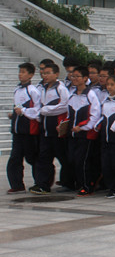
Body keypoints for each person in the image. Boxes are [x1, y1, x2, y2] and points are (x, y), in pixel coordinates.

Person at [30, 63, 69, 195]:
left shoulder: (61, 88)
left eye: (48, 73)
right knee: (44, 157)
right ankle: (43, 185)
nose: (45, 75)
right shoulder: (42, 88)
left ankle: (68, 182)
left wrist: (46, 110)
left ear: (56, 74)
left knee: (63, 157)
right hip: (44, 129)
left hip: (56, 129)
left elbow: (64, 106)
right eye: (43, 73)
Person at [67, 66, 102, 196]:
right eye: (73, 76)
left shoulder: (90, 95)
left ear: (85, 78)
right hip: (72, 134)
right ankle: (80, 183)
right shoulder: (72, 94)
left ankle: (87, 186)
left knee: (82, 160)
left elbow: (95, 115)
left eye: (78, 76)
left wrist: (82, 127)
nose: (75, 79)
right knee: (72, 159)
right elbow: (69, 114)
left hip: (85, 135)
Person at [7, 63, 40, 194]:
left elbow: (37, 110)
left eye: (23, 72)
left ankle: (41, 182)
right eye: (20, 71)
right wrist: (14, 114)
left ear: (31, 75)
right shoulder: (17, 89)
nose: (20, 74)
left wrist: (24, 111)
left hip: (28, 131)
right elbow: (17, 106)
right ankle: (17, 185)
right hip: (17, 131)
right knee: (14, 159)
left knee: (32, 158)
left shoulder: (32, 91)